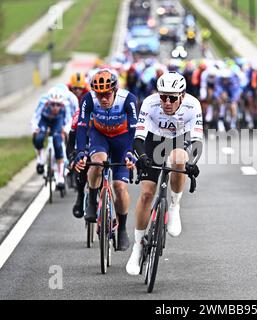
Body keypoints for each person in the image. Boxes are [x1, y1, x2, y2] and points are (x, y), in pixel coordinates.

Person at [125, 71, 203, 275]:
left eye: (172, 98)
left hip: (179, 139)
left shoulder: (192, 105)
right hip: (153, 141)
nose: (166, 102)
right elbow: (138, 138)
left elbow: (197, 141)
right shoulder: (150, 104)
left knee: (179, 159)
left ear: (182, 96)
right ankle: (138, 246)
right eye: (163, 96)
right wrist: (141, 158)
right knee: (146, 193)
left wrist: (191, 163)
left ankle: (175, 206)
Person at [74, 68, 138, 251]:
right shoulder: (88, 99)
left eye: (107, 94)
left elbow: (134, 130)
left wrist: (130, 152)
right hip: (100, 136)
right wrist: (80, 152)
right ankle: (93, 201)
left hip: (122, 140)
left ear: (115, 90)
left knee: (119, 186)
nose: (103, 99)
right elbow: (82, 126)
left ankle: (123, 228)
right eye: (99, 94)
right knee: (97, 163)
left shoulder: (128, 99)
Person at [31, 86, 72, 190]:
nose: (55, 107)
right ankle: (40, 160)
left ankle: (60, 176)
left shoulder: (66, 104)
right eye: (52, 104)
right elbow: (35, 117)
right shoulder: (43, 102)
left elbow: (69, 120)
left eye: (58, 105)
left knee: (57, 142)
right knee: (39, 138)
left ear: (61, 104)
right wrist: (35, 128)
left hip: (57, 121)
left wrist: (65, 130)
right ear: (49, 102)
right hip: (44, 119)